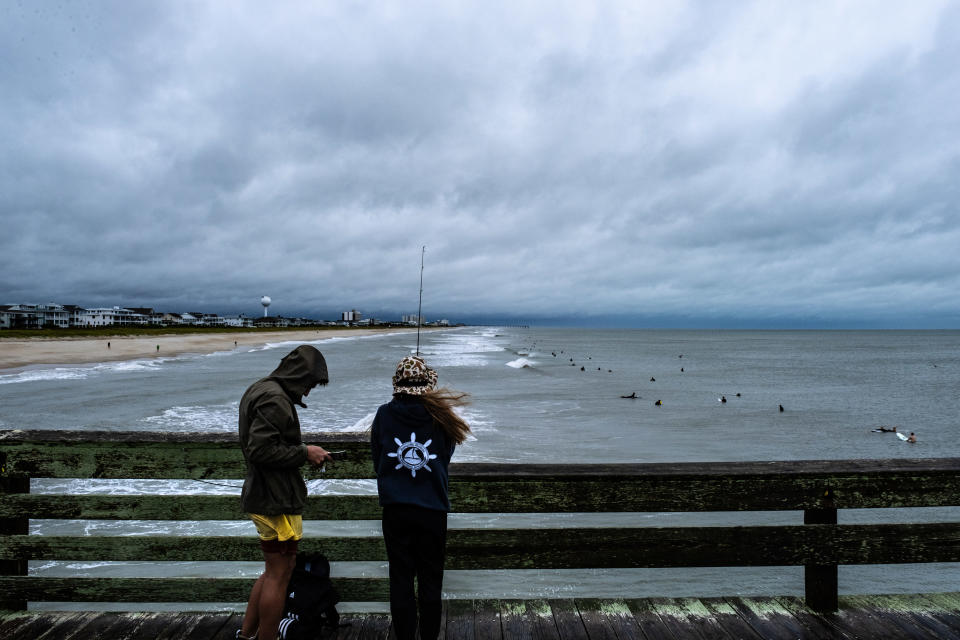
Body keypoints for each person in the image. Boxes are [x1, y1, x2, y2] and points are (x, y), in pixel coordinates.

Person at [236, 345, 334, 640]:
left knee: (274, 571)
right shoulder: (275, 399)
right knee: (280, 575)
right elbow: (261, 450)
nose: (307, 393)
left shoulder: (261, 388)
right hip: (274, 499)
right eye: (309, 385)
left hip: (266, 495)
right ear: (298, 375)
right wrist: (305, 452)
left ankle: (247, 635)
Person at [371, 355, 471, 640]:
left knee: (401, 579)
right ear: (427, 385)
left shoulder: (383, 414)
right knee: (430, 581)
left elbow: (378, 460)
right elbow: (445, 456)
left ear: (397, 385)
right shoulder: (442, 416)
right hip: (432, 510)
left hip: (396, 509)